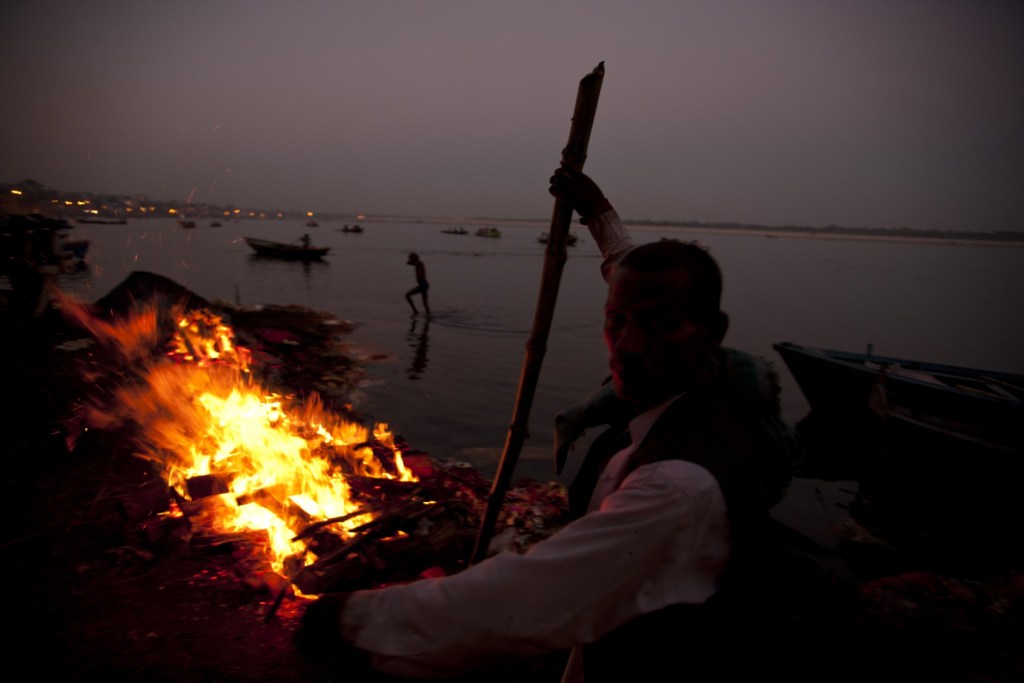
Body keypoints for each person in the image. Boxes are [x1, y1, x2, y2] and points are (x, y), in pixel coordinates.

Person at [296, 167, 801, 681]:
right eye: (616, 320)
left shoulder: (681, 482)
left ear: (711, 331)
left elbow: (524, 600)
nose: (626, 345)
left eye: (660, 324)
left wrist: (352, 621)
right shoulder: (696, 398)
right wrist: (596, 209)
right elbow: (624, 267)